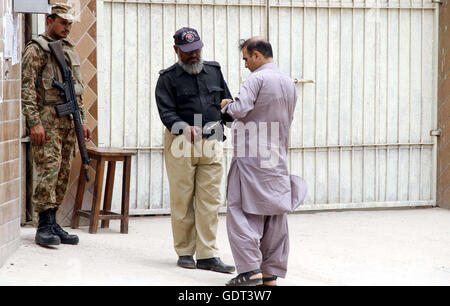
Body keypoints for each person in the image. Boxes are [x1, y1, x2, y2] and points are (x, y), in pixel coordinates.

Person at [221, 37, 307, 286]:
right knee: (274, 211)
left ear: (257, 55)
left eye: (246, 59)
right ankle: (270, 271)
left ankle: (249, 271)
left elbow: (240, 109)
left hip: (251, 155)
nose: (245, 64)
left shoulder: (256, 79)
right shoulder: (288, 82)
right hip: (276, 153)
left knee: (240, 210)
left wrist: (227, 105)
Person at [155, 27, 235, 273]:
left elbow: (226, 102)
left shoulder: (214, 71)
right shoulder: (167, 78)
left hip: (211, 142)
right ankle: (185, 251)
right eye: (188, 52)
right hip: (181, 142)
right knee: (182, 199)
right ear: (176, 50)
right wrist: (183, 128)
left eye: (197, 50)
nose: (193, 56)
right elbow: (166, 111)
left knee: (210, 200)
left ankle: (207, 254)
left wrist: (228, 117)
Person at [22, 3, 92, 247]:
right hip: (47, 120)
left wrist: (81, 120)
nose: (67, 28)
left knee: (62, 172)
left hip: (68, 120)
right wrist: (34, 122)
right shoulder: (36, 49)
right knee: (48, 170)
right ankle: (43, 225)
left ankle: (53, 223)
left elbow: (77, 91)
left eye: (70, 24)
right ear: (48, 21)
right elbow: (28, 87)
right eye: (63, 23)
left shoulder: (69, 49)